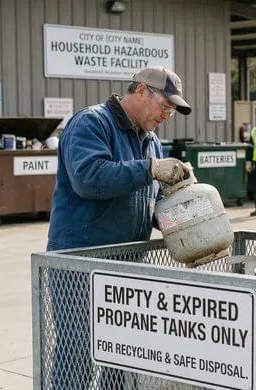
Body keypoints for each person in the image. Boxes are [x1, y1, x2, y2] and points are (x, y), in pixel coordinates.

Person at [46, 66, 192, 389]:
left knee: (120, 353)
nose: (167, 116)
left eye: (172, 111)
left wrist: (186, 224)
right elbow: (88, 178)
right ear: (141, 91)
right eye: (165, 106)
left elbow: (147, 202)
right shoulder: (91, 123)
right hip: (80, 266)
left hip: (126, 267)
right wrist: (150, 169)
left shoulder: (149, 141)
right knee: (79, 353)